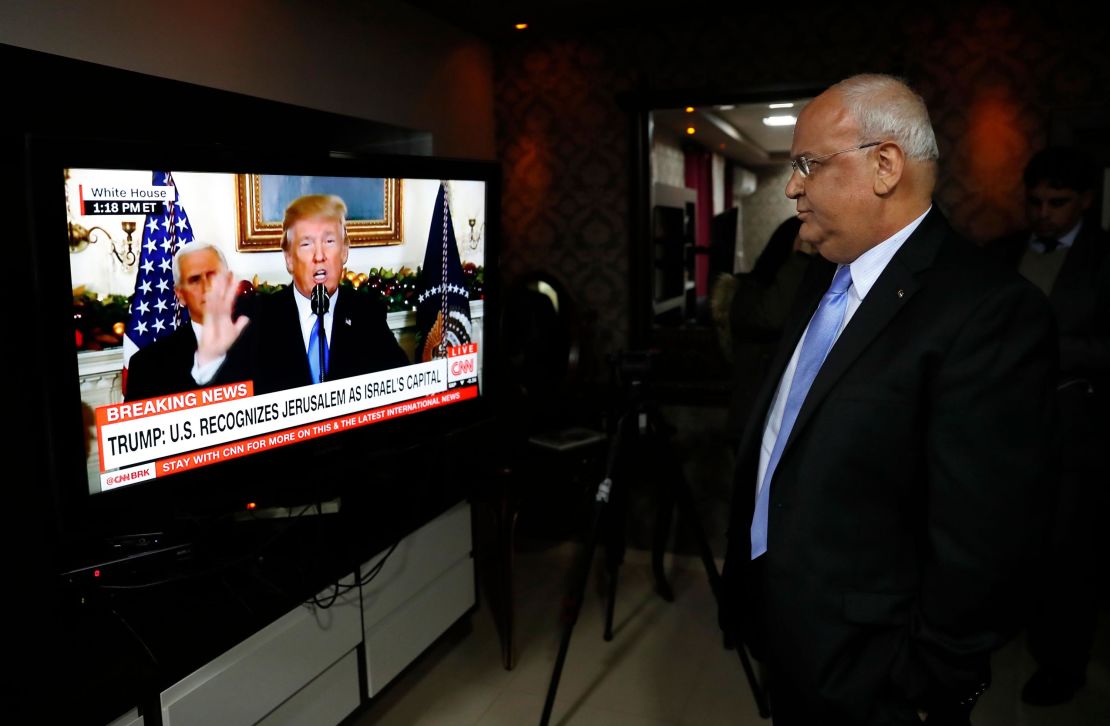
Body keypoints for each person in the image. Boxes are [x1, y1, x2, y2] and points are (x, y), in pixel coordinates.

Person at [719, 74, 1057, 725]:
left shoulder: (987, 312)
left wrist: (927, 680)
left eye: (808, 165)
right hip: (787, 624)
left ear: (884, 165)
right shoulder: (821, 270)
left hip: (879, 676)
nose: (793, 186)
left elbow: (985, 540)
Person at [989, 147, 1110, 706]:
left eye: (1057, 202)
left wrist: (1040, 349)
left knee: (1068, 554)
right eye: (1034, 201)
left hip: (1074, 430)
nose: (1043, 213)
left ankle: (1062, 663)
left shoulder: (1105, 258)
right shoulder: (1000, 252)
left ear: (1086, 200)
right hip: (1001, 431)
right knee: (1006, 542)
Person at [198, 194, 408, 392]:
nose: (319, 256)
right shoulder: (258, 318)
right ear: (289, 258)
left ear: (344, 250)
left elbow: (400, 388)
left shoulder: (367, 313)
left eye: (329, 241)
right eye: (306, 244)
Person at [125, 242, 229, 401]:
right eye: (195, 280)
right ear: (180, 294)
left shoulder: (265, 342)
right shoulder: (148, 365)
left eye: (213, 276)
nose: (207, 287)